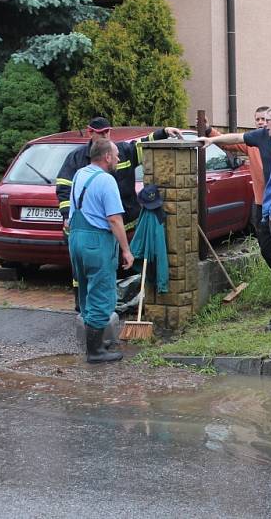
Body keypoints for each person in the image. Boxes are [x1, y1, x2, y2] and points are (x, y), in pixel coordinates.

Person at [56, 117, 182, 310]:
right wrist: (66, 215)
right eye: (102, 133)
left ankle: (115, 309)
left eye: (108, 132)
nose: (107, 136)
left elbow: (141, 145)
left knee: (120, 271)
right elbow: (64, 188)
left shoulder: (121, 151)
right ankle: (88, 313)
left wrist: (163, 132)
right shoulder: (77, 160)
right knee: (90, 276)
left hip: (124, 227)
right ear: (90, 133)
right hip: (99, 231)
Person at [200, 106, 271, 295]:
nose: (262, 123)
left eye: (265, 119)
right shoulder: (259, 138)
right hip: (265, 204)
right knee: (268, 249)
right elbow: (234, 139)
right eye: (259, 120)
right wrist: (210, 136)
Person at [67, 138, 135, 363]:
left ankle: (94, 344)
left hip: (76, 239)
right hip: (96, 242)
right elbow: (115, 219)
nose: (118, 159)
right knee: (102, 294)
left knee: (86, 291)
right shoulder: (106, 180)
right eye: (115, 155)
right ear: (106, 156)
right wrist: (126, 250)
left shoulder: (79, 174)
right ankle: (95, 352)